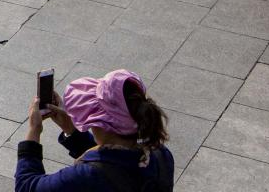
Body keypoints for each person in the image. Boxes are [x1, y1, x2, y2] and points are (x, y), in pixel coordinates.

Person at [17, 70, 174, 191]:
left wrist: (34, 130)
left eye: (91, 117)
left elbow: (26, 186)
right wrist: (71, 130)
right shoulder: (160, 154)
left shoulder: (86, 177)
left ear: (104, 125)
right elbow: (113, 164)